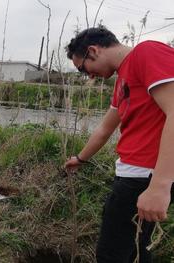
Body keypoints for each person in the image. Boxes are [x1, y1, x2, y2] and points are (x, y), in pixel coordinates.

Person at [64, 26, 174, 262]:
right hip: (133, 177)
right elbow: (105, 129)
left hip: (145, 177)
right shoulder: (122, 79)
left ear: (93, 51)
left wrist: (160, 186)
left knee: (112, 255)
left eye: (83, 68)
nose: (89, 76)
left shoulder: (146, 53)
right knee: (134, 251)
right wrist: (80, 158)